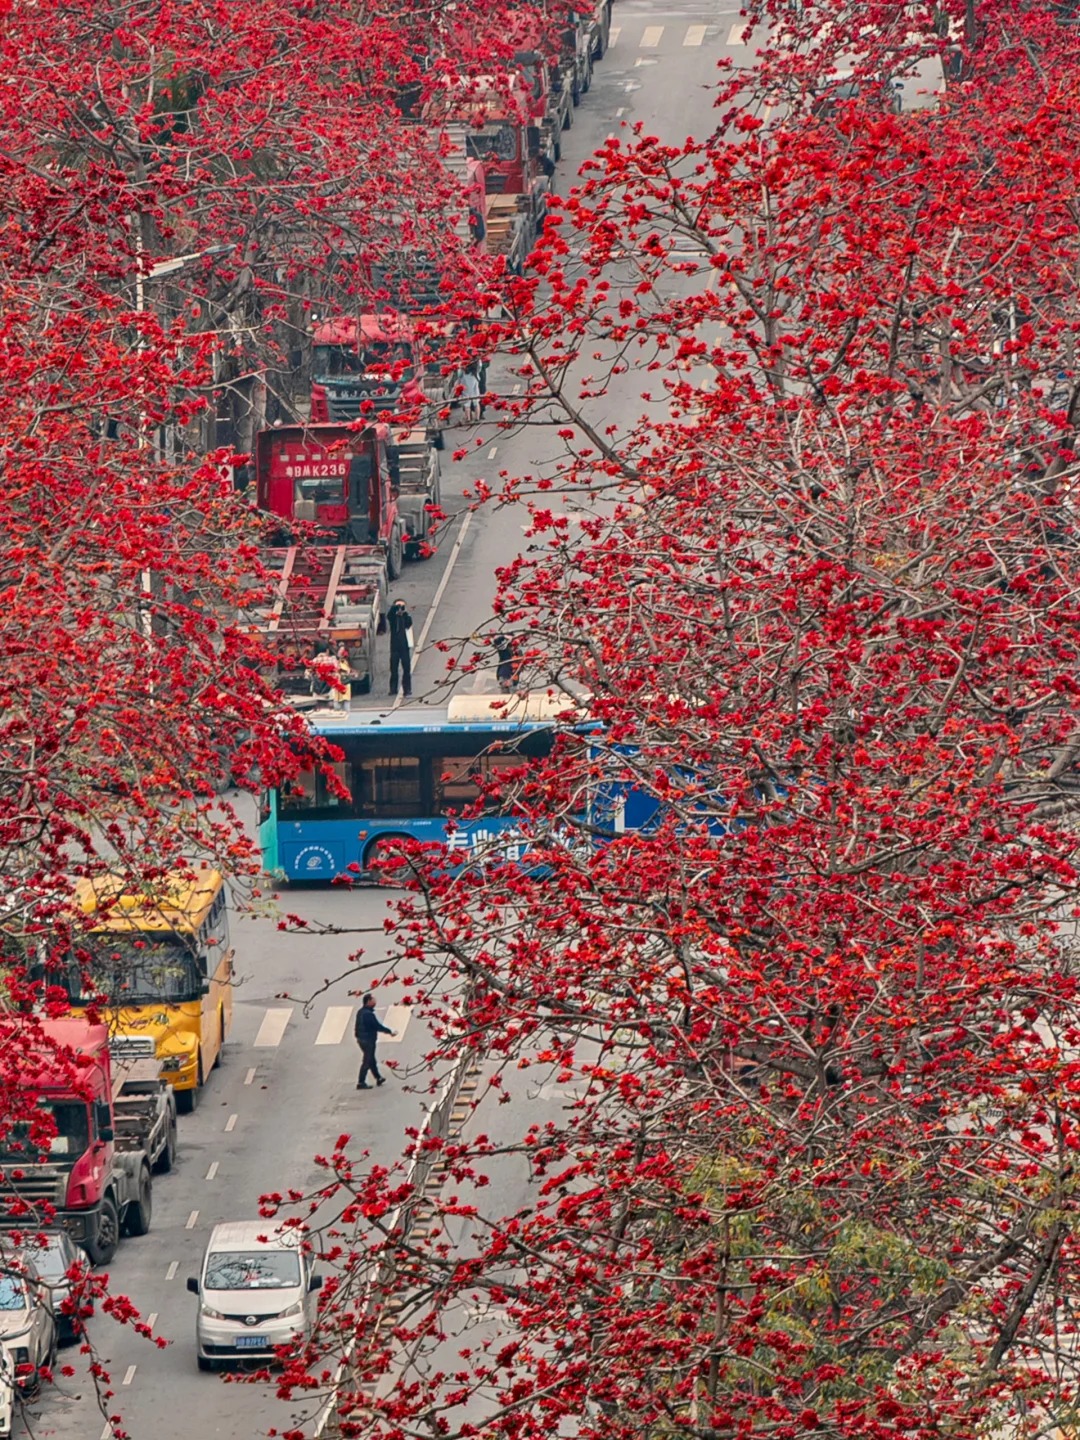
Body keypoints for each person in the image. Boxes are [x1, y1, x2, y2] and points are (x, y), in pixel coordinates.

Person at [354, 993, 396, 1089]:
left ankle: (378, 1077)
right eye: (373, 1000)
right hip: (367, 1040)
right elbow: (377, 1026)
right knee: (367, 1060)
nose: (375, 1002)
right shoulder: (368, 1014)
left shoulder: (361, 1012)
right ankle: (361, 1082)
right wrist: (389, 1031)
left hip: (361, 1039)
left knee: (371, 1059)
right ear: (368, 1001)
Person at [387, 598, 413, 698]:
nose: (400, 608)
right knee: (393, 669)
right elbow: (389, 616)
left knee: (406, 669)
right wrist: (394, 608)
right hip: (394, 647)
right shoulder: (393, 618)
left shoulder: (406, 617)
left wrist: (404, 613)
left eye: (402, 606)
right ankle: (393, 689)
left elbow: (409, 624)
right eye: (398, 606)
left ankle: (407, 689)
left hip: (404, 647)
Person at [330, 644, 352, 712]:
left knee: (346, 702)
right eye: (340, 650)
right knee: (337, 704)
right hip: (337, 683)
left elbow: (347, 670)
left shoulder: (345, 661)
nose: (341, 652)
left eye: (343, 650)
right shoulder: (334, 660)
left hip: (345, 683)